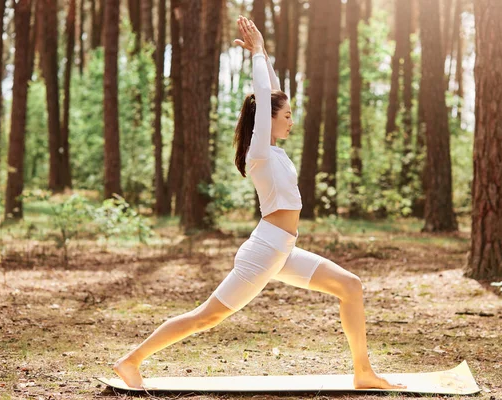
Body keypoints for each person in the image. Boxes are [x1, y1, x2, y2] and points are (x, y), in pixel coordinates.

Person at [113, 15, 405, 391]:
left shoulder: (275, 152)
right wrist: (259, 56)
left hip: (283, 250)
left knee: (350, 286)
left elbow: (274, 90)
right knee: (207, 317)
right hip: (264, 251)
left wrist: (262, 54)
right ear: (267, 120)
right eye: (287, 116)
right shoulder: (260, 152)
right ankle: (130, 360)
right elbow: (266, 94)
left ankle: (363, 372)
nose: (291, 121)